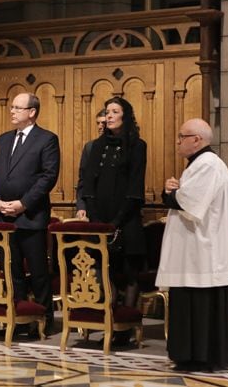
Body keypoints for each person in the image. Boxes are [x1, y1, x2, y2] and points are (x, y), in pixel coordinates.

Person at [156, 118, 228, 371]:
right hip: (195, 250)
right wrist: (174, 190)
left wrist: (169, 193)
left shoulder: (207, 164)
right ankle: (193, 355)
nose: (177, 142)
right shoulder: (201, 164)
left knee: (198, 301)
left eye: (181, 136)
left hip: (201, 251)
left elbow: (190, 202)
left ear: (196, 140)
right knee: (193, 301)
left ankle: (200, 356)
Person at [0, 92, 60, 336]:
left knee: (38, 272)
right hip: (4, 216)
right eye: (12, 107)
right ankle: (19, 318)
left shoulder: (47, 139)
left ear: (32, 112)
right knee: (12, 269)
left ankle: (43, 318)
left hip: (31, 216)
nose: (12, 111)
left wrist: (23, 203)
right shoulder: (3, 139)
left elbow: (48, 177)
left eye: (18, 108)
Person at [81, 96, 147, 344]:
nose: (108, 116)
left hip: (126, 219)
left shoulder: (137, 146)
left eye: (114, 111)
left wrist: (117, 221)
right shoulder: (96, 146)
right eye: (107, 111)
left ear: (125, 116)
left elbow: (135, 188)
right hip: (101, 220)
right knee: (104, 271)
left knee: (128, 273)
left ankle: (124, 329)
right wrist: (98, 220)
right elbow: (88, 185)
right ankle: (109, 323)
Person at [76, 109, 106, 219]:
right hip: (93, 207)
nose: (100, 126)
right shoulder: (90, 147)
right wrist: (81, 206)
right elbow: (83, 179)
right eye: (98, 123)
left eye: (104, 123)